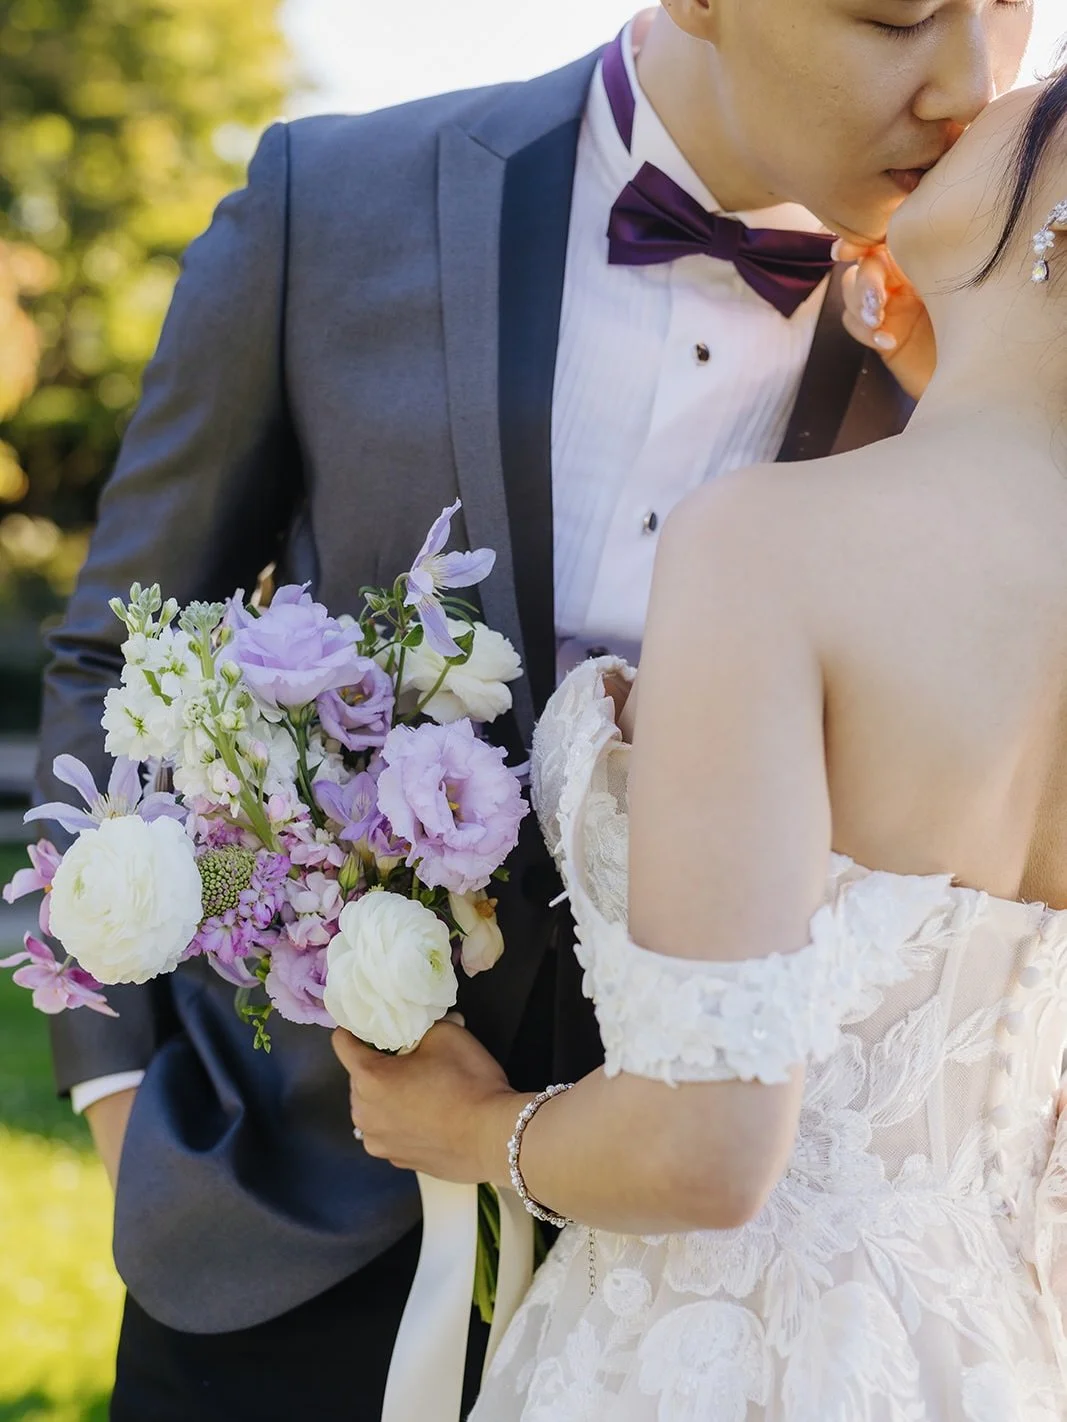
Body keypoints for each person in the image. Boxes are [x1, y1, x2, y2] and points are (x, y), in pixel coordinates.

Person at [36, 1, 1031, 1417]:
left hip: (709, 1309)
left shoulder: (990, 343)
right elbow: (113, 655)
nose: (970, 82)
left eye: (1015, 8)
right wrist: (119, 1099)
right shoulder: (334, 203)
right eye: (895, 13)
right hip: (282, 1224)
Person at [333, 65, 1067, 1419]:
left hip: (703, 1357)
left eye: (1033, 97)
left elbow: (708, 1146)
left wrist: (460, 1130)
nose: (975, 82)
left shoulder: (772, 541)